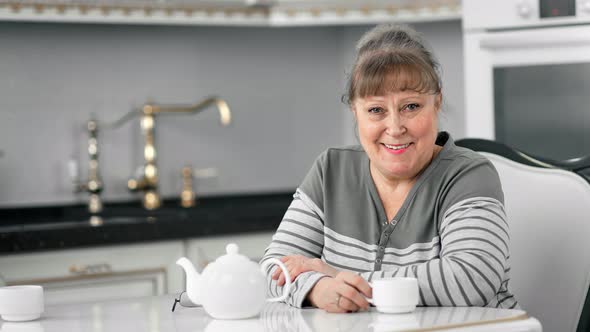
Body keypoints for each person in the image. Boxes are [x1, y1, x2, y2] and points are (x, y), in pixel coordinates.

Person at [260, 24, 518, 313]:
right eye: (376, 110)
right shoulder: (330, 170)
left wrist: (337, 276)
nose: (395, 128)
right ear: (355, 112)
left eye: (411, 106)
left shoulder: (468, 175)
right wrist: (316, 289)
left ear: (437, 104)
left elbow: (471, 279)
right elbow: (272, 269)